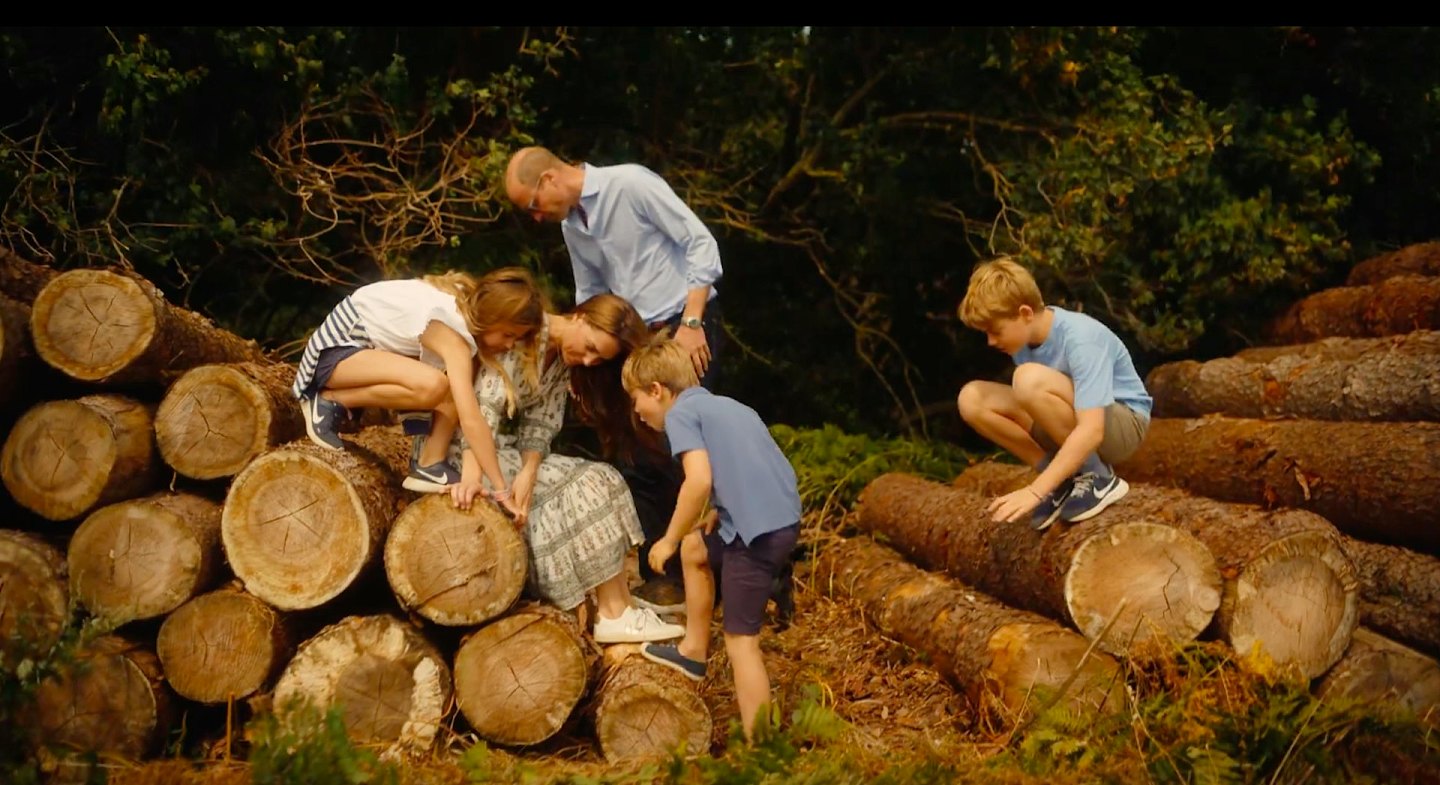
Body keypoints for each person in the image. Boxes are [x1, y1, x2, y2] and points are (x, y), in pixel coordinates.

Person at [503, 146, 731, 609]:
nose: (536, 216)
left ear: (548, 179)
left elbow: (701, 244)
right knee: (635, 455)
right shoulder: (574, 225)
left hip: (679, 327)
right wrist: (578, 364)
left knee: (688, 451)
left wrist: (691, 322)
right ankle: (662, 574)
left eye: (532, 204)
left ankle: (748, 568)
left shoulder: (630, 184)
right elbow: (591, 293)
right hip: (626, 340)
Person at [437, 293, 687, 644]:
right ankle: (614, 614)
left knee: (601, 476)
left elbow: (540, 424)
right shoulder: (523, 331)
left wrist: (528, 472)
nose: (587, 359)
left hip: (494, 449)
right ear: (581, 316)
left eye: (597, 357)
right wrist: (473, 477)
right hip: (460, 447)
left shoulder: (560, 360)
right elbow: (481, 410)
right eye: (589, 347)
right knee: (587, 483)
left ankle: (620, 606)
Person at [621, 339, 801, 741]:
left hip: (756, 536)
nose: (637, 411)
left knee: (741, 642)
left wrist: (667, 538)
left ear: (656, 390)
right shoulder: (728, 406)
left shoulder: (681, 415)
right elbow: (757, 462)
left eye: (637, 400)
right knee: (696, 547)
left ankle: (764, 747)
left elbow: (698, 479)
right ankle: (693, 652)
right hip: (777, 520)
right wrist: (723, 505)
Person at [290, 267, 542, 515]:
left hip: (356, 359)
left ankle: (430, 463)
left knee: (452, 386)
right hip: (332, 356)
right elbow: (471, 421)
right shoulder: (451, 330)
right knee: (434, 385)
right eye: (508, 335)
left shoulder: (461, 323)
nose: (510, 346)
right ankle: (330, 400)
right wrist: (502, 490)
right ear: (490, 316)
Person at [955, 257, 1152, 530]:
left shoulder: (1081, 337)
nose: (991, 341)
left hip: (1121, 424)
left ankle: (1097, 476)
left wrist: (1035, 491)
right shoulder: (1023, 343)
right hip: (1073, 421)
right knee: (972, 399)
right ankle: (1058, 480)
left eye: (995, 331)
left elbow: (1092, 429)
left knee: (1026, 379)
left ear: (1025, 313)